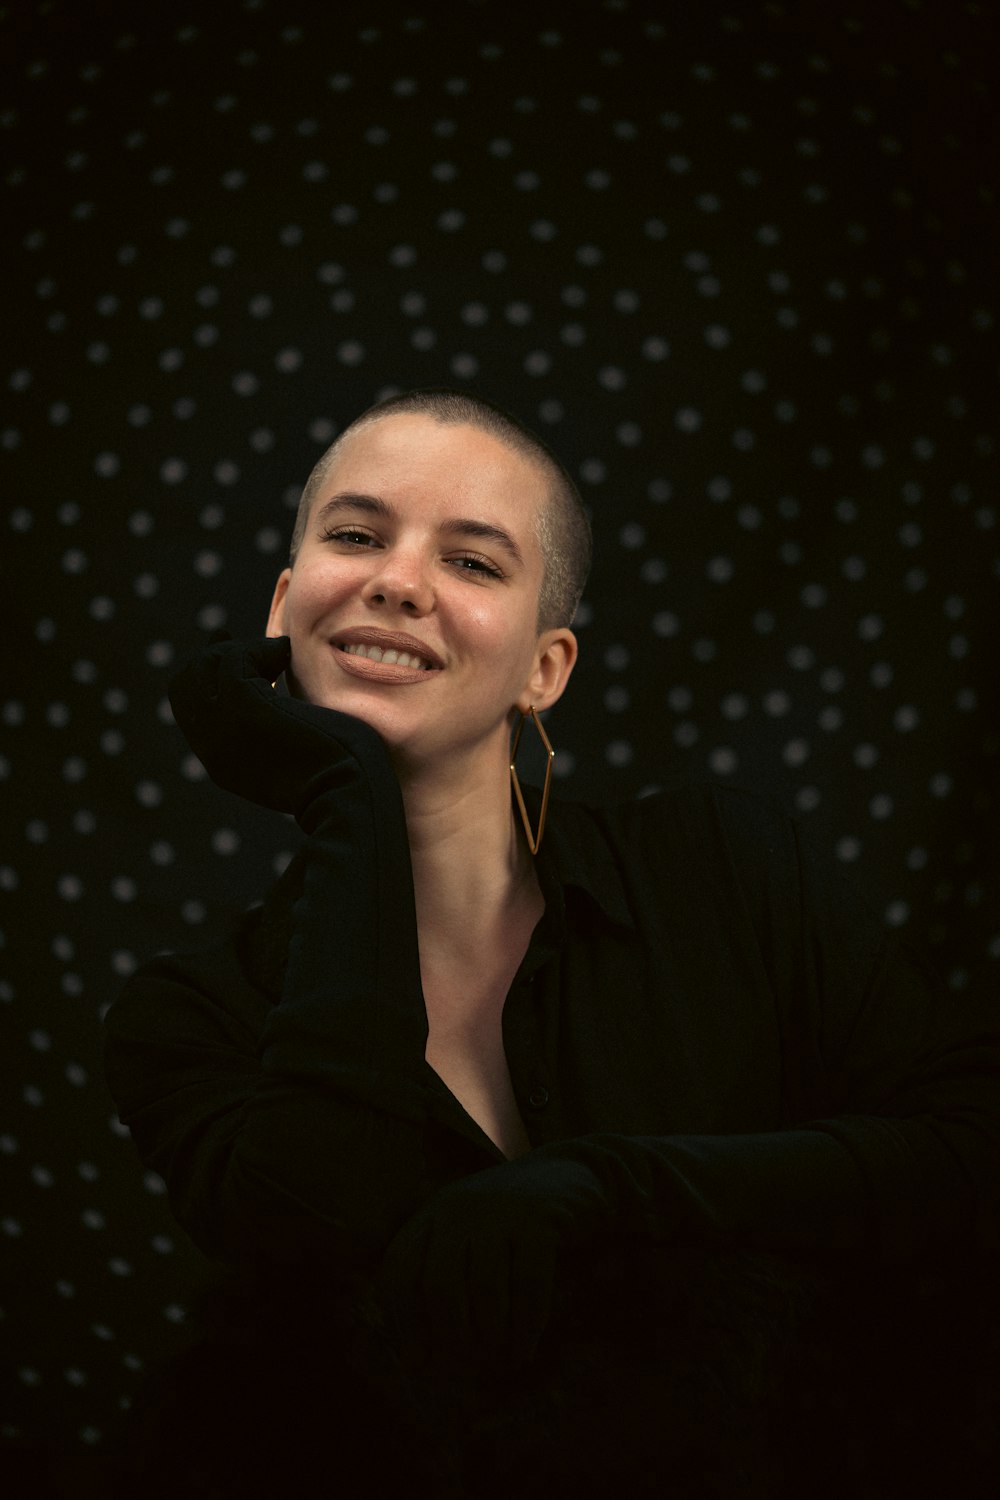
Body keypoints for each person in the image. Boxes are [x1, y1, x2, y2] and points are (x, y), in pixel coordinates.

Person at [104, 389, 1000, 1497]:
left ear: (545, 669)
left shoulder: (722, 866)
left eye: (474, 562)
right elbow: (315, 1216)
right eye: (354, 535)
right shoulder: (188, 1016)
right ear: (284, 608)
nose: (395, 579)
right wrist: (347, 795)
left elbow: (969, 1145)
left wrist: (615, 1185)